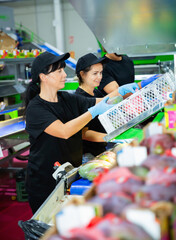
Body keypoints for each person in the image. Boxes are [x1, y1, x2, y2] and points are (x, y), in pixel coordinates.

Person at [24, 51, 116, 214]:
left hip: (69, 174)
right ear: (44, 77)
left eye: (63, 70)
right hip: (45, 180)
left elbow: (103, 101)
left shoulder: (66, 98)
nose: (64, 74)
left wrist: (132, 90)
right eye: (58, 71)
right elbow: (64, 131)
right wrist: (93, 112)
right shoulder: (36, 109)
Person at [75, 53, 140, 157]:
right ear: (82, 74)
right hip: (90, 154)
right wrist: (111, 137)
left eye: (101, 73)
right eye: (95, 73)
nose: (99, 77)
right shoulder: (79, 98)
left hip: (103, 148)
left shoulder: (96, 93)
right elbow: (84, 133)